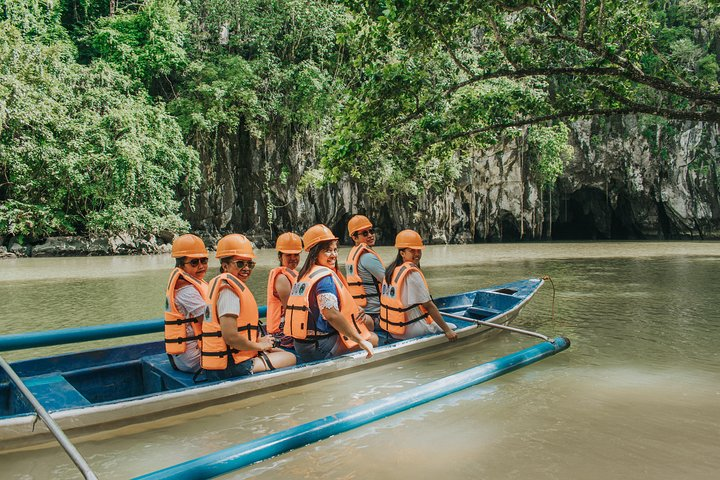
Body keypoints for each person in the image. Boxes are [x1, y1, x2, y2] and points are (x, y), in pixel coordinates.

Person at [202, 234, 296, 381]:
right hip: (232, 366)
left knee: (276, 350)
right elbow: (230, 337)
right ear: (225, 265)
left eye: (250, 264)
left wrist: (260, 341)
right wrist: (259, 346)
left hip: (228, 360)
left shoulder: (224, 285)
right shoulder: (229, 292)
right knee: (290, 357)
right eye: (240, 264)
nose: (246, 268)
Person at [284, 224, 378, 362]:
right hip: (318, 347)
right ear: (316, 253)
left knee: (366, 325)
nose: (333, 255)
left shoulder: (305, 274)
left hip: (302, 345)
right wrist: (360, 341)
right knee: (374, 339)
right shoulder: (324, 278)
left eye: (335, 250)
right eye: (328, 251)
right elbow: (330, 314)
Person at [379, 230, 458, 342]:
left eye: (418, 250)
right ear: (402, 253)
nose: (417, 254)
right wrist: (447, 331)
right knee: (454, 327)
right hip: (411, 331)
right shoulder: (411, 273)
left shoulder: (391, 271)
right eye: (412, 250)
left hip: (393, 331)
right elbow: (429, 306)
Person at [164, 234, 210, 373]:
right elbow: (210, 322)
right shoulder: (187, 291)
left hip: (189, 353)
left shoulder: (193, 282)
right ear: (181, 265)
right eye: (194, 262)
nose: (201, 266)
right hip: (193, 357)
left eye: (204, 260)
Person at [345, 215, 385, 328]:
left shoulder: (351, 257)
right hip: (377, 316)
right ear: (354, 238)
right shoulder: (367, 257)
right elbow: (391, 283)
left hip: (364, 313)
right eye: (365, 233)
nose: (370, 235)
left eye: (371, 231)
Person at [266, 232, 302, 348]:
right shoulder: (282, 278)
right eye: (288, 255)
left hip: (289, 327)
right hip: (281, 334)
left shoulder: (294, 274)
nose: (293, 258)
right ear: (280, 256)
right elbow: (291, 309)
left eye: (296, 254)